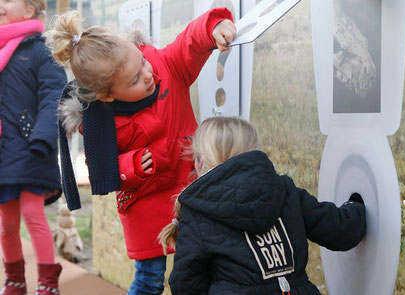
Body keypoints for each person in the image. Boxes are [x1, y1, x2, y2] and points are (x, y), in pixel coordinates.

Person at [47, 8, 236, 295]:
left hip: (190, 191)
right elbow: (103, 169)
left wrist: (213, 27)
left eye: (143, 62)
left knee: (206, 269)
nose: (148, 75)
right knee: (149, 280)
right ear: (107, 96)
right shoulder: (99, 123)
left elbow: (189, 43)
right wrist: (132, 164)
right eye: (134, 79)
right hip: (144, 205)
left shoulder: (165, 67)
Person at [159, 116, 367, 295]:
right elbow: (339, 229)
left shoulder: (197, 213)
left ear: (199, 162)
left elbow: (185, 284)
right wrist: (358, 203)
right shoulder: (284, 190)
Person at [0, 0, 67, 294]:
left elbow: (54, 95)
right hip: (4, 152)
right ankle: (15, 278)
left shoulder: (40, 51)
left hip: (31, 147)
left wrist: (41, 137)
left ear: (28, 10)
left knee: (32, 212)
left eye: (7, 1)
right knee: (7, 223)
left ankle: (47, 282)